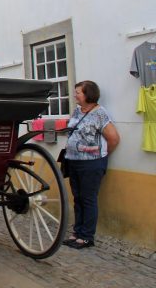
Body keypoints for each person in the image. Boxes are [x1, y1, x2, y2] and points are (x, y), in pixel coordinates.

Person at [63, 80, 120, 250]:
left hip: (92, 164)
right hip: (73, 161)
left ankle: (87, 236)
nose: (75, 95)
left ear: (88, 94)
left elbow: (114, 139)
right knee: (78, 198)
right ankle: (77, 232)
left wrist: (100, 155)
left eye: (78, 92)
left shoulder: (100, 113)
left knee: (88, 199)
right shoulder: (77, 111)